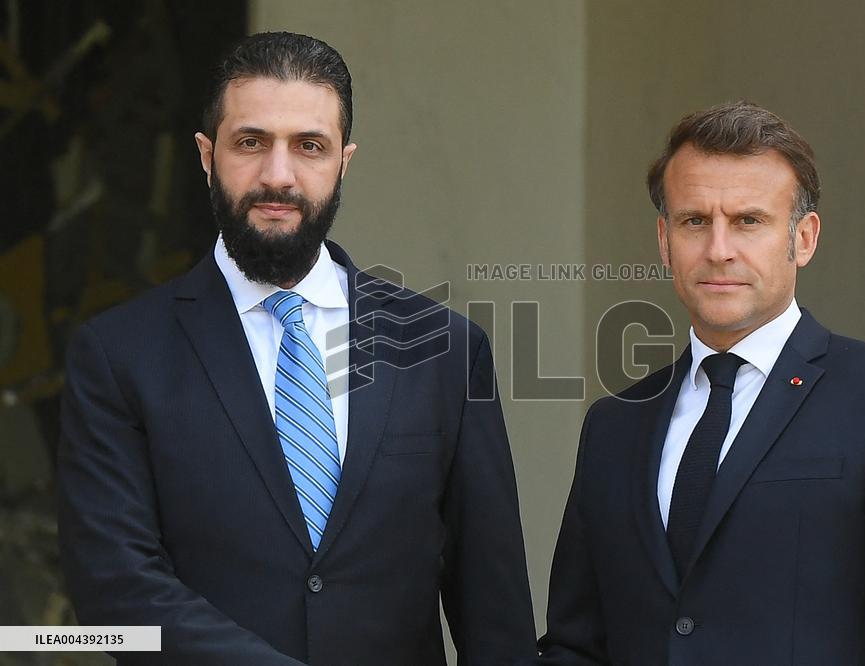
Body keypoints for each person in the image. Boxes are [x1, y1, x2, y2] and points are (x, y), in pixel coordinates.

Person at [58, 31, 536, 665]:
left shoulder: (445, 350)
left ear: (344, 161)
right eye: (250, 143)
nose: (277, 176)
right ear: (206, 155)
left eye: (309, 146)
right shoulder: (118, 355)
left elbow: (492, 608)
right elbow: (114, 591)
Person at [537, 101, 865, 664]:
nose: (719, 250)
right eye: (694, 221)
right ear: (664, 241)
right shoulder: (614, 424)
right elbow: (579, 641)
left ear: (804, 239)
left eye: (748, 220)